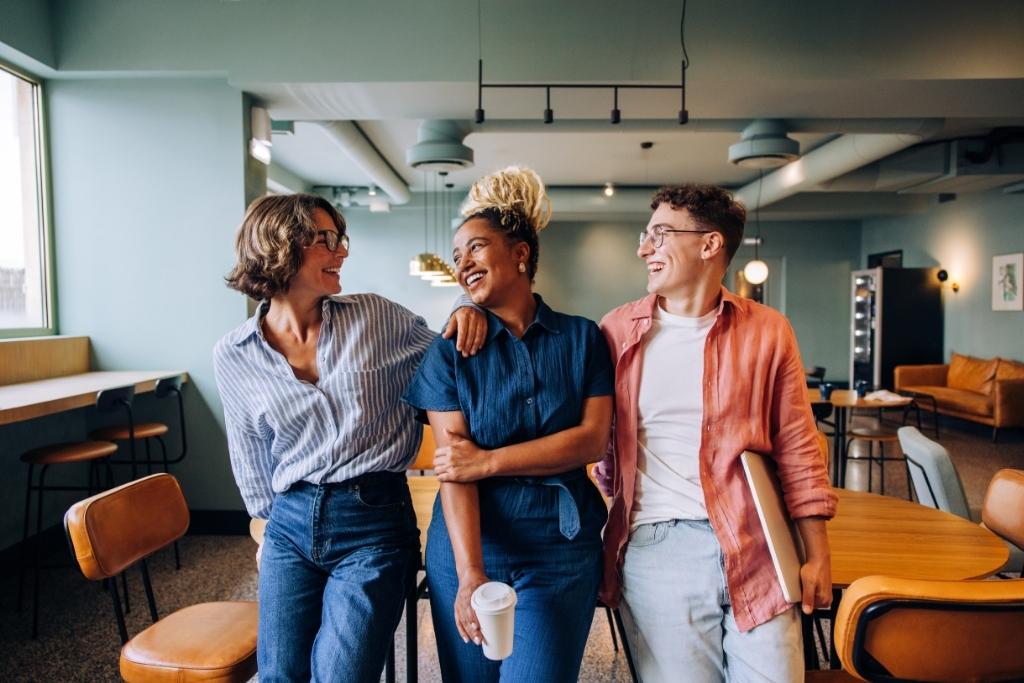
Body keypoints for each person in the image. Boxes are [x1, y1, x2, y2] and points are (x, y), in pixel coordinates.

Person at [212, 193, 486, 682]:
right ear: (282, 247)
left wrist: (468, 307)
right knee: (279, 676)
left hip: (373, 523)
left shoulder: (377, 318)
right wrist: (267, 530)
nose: (342, 252)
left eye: (341, 240)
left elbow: (451, 363)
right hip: (289, 527)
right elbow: (249, 457)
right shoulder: (233, 354)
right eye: (328, 240)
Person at [593, 184, 837, 683]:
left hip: (758, 544)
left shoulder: (768, 330)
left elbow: (798, 446)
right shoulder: (616, 331)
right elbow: (601, 451)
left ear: (709, 245)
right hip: (659, 548)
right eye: (646, 235)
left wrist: (818, 555)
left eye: (659, 235)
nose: (644, 249)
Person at [403, 167, 614, 682]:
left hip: (560, 547)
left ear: (520, 253)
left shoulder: (583, 339)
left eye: (475, 248)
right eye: (457, 256)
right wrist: (470, 573)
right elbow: (455, 470)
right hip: (472, 546)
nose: (463, 263)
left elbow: (591, 440)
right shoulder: (448, 354)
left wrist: (490, 460)